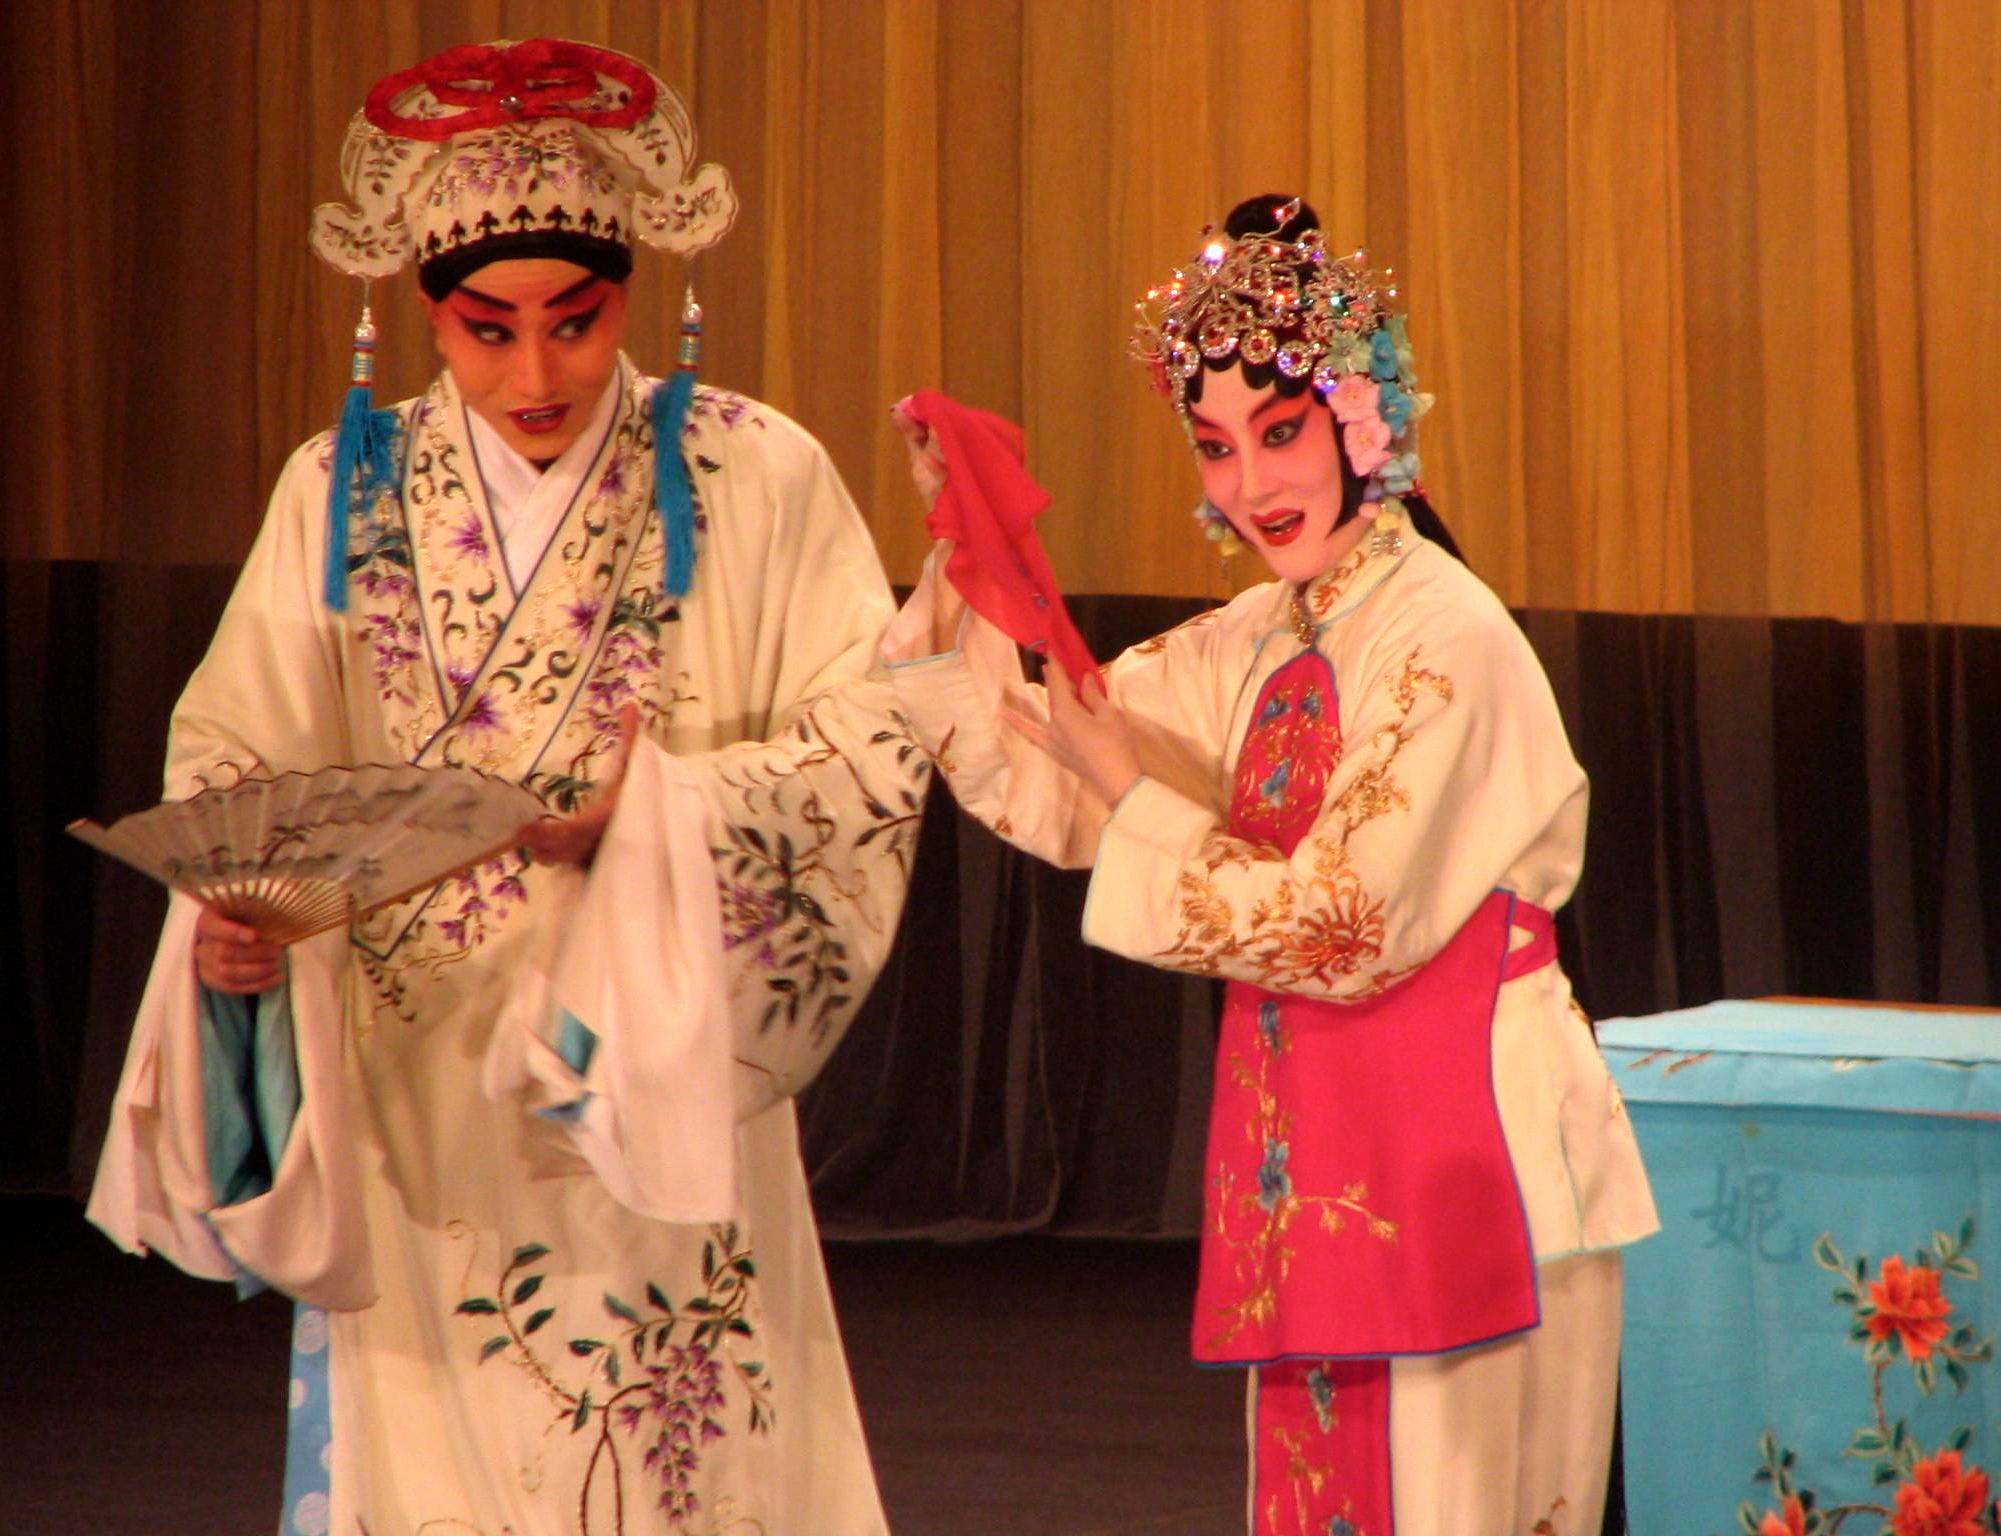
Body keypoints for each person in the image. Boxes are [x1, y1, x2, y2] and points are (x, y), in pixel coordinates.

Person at [89, 40, 922, 1536]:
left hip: (655, 1052)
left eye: (576, 324)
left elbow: (871, 739)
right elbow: (234, 758)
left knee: (674, 1460)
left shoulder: (759, 474)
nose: (533, 375)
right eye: (487, 332)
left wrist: (667, 819)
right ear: (421, 312)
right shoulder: (337, 491)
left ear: (637, 296)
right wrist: (238, 924)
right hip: (417, 1076)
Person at [883, 196, 1659, 1536]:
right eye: (1218, 446)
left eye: (1283, 432)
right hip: (1318, 1146)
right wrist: (971, 564)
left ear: (1367, 421)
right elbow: (1039, 771)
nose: (1252, 485)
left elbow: (1341, 923)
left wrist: (1133, 790)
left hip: (1472, 1147)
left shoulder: (1445, 639)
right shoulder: (1250, 640)